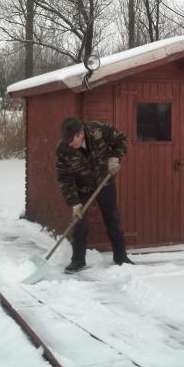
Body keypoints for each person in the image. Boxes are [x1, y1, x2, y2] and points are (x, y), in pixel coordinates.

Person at [56, 117, 134, 274]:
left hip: (105, 182)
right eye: (68, 142)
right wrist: (75, 203)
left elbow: (122, 140)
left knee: (112, 218)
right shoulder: (63, 148)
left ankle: (120, 257)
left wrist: (115, 157)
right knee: (79, 223)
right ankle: (77, 260)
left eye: (73, 141)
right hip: (82, 188)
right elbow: (65, 178)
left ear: (80, 134)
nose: (70, 145)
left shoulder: (98, 130)